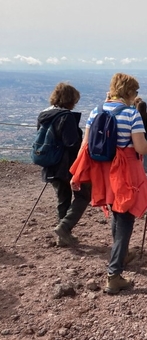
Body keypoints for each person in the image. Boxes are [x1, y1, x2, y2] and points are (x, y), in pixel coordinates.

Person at [70, 73, 147, 294]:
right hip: (124, 173)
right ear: (129, 92)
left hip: (102, 173)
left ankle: (120, 256)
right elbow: (141, 148)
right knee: (125, 219)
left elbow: (86, 145)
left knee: (116, 213)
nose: (136, 96)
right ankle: (114, 274)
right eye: (136, 91)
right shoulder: (132, 114)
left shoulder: (96, 111)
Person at [36, 83, 91, 247]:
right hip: (67, 165)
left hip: (50, 164)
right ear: (70, 99)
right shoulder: (66, 117)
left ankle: (63, 236)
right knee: (84, 196)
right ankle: (64, 227)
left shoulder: (44, 114)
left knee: (63, 199)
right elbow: (72, 143)